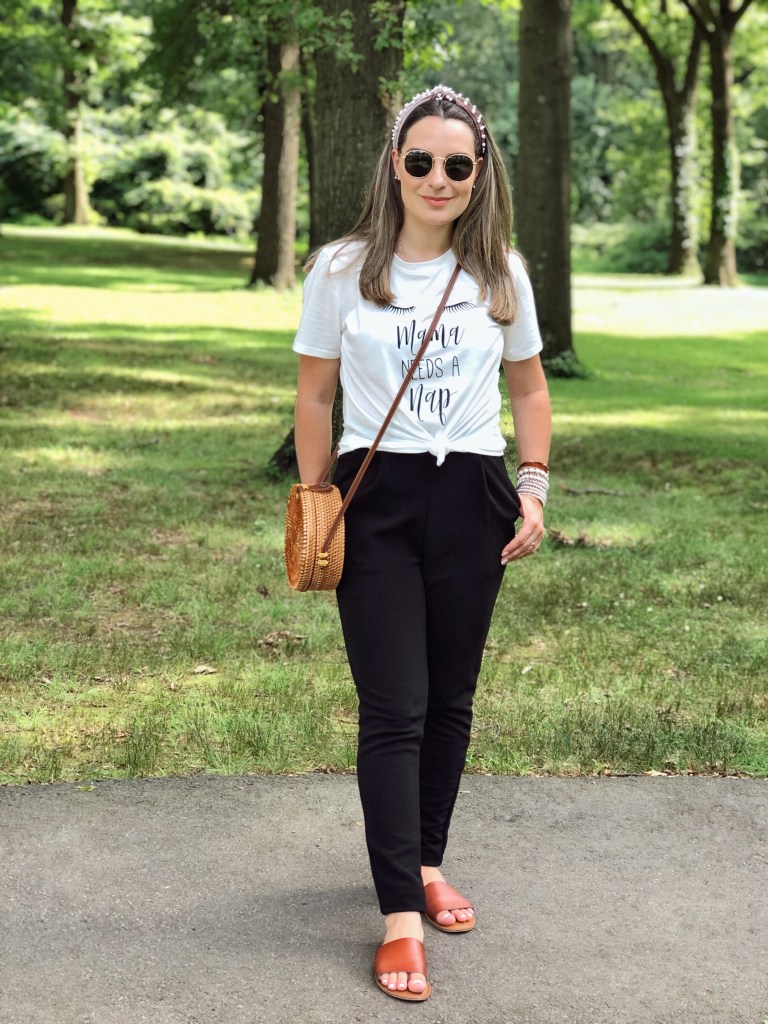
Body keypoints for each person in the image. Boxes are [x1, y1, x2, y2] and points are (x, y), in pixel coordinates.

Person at [291, 85, 551, 1001]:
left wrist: (532, 485)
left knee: (450, 700)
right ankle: (401, 912)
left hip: (471, 495)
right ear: (394, 167)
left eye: (457, 165)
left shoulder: (500, 274)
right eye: (421, 161)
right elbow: (315, 395)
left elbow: (528, 389)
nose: (438, 178)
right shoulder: (340, 270)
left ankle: (426, 859)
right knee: (394, 705)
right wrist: (318, 500)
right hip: (378, 499)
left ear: (480, 175)